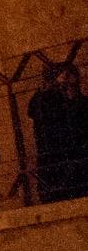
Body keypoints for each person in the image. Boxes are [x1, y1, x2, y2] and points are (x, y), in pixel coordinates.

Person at [29, 61, 88, 203]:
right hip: (57, 162)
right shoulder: (50, 103)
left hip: (78, 160)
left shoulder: (81, 103)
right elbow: (35, 110)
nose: (66, 81)